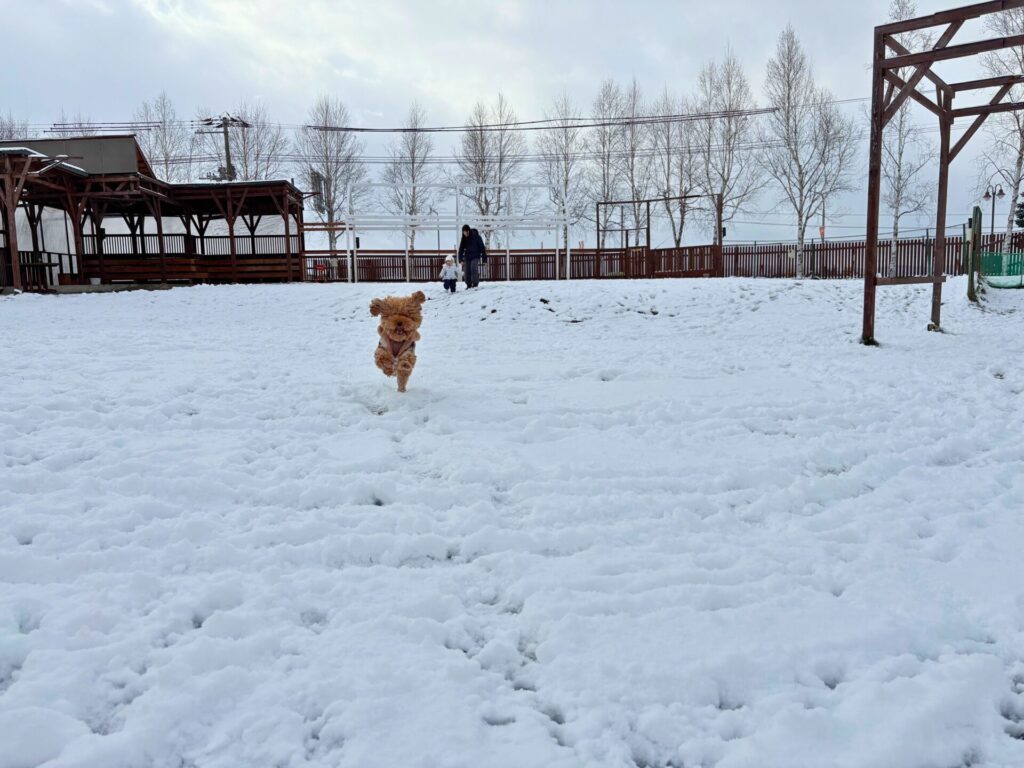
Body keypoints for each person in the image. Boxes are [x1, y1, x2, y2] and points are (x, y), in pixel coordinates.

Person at [457, 224, 487, 289]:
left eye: (466, 232)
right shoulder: (464, 238)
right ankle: (469, 284)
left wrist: (484, 258)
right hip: (467, 257)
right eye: (464, 232)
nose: (465, 234)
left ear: (469, 231)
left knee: (473, 268)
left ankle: (475, 284)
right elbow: (461, 249)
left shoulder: (477, 237)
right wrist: (460, 259)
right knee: (467, 270)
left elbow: (482, 247)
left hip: (475, 256)